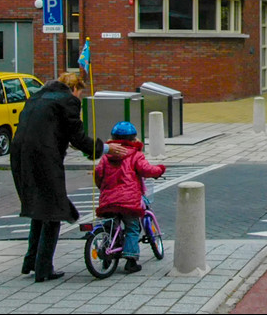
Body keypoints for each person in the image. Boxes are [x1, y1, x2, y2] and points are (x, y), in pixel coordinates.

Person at [10, 71, 105, 282]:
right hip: (43, 157)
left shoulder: (37, 97)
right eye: (80, 93)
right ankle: (44, 269)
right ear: (75, 89)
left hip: (20, 156)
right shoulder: (67, 101)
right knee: (53, 211)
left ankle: (32, 261)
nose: (79, 98)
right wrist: (102, 148)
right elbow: (77, 136)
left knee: (39, 208)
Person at [94, 121, 166, 275]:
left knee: (110, 227)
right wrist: (160, 170)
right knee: (132, 228)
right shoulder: (135, 154)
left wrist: (103, 189)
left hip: (108, 200)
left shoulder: (106, 156)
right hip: (129, 201)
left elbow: (98, 174)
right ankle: (131, 261)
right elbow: (146, 170)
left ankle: (108, 254)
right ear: (133, 139)